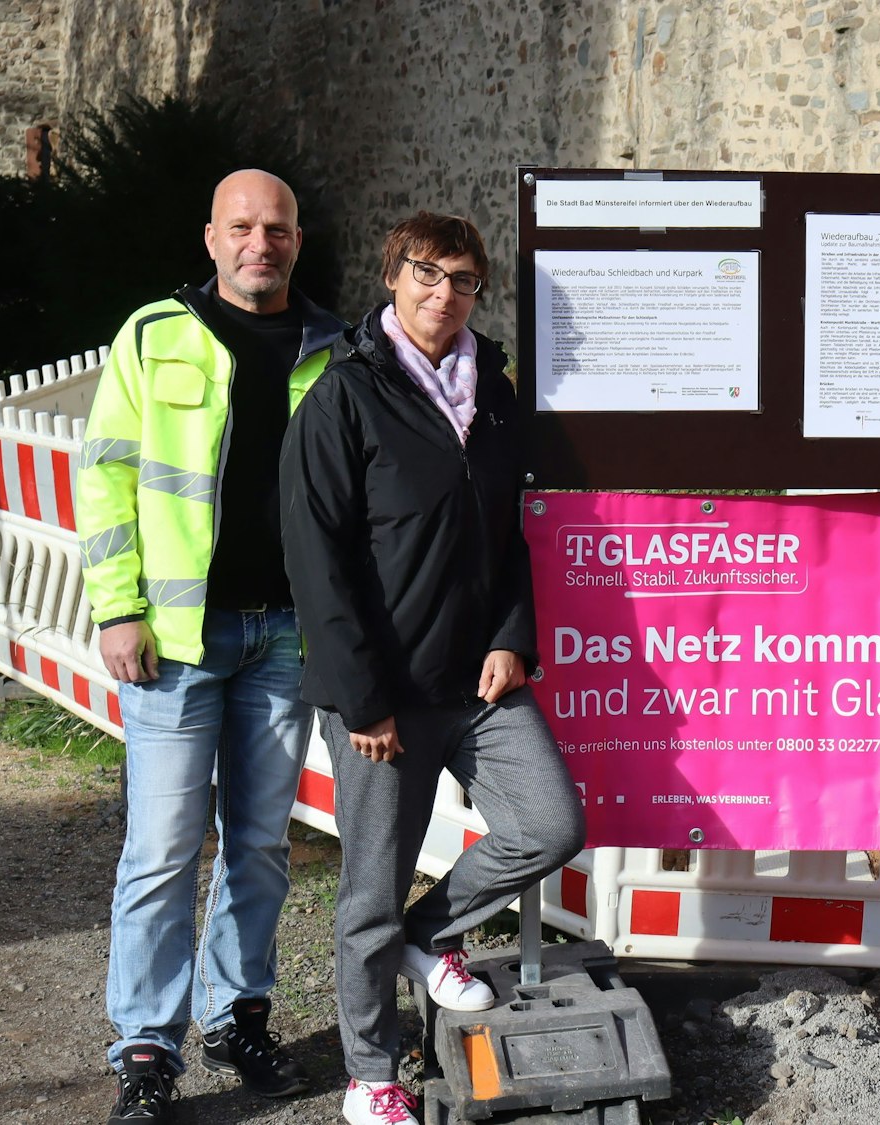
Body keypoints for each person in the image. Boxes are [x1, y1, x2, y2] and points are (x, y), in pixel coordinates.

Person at [281, 211, 587, 1125]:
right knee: (370, 892)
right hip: (385, 695)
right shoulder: (343, 395)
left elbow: (509, 532)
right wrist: (362, 699)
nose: (443, 294)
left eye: (462, 280)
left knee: (550, 822)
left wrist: (511, 636)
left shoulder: (492, 394)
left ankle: (428, 935)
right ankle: (370, 1074)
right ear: (392, 275)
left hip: (478, 681)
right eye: (426, 272)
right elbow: (316, 560)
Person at [77, 169, 346, 1125]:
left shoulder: (334, 349)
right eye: (241, 227)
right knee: (160, 850)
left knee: (261, 846)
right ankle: (147, 1049)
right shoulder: (155, 334)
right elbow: (105, 477)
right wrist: (117, 607)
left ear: (298, 241)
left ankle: (237, 1016)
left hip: (285, 636)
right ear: (211, 238)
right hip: (177, 641)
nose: (258, 243)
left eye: (276, 229)